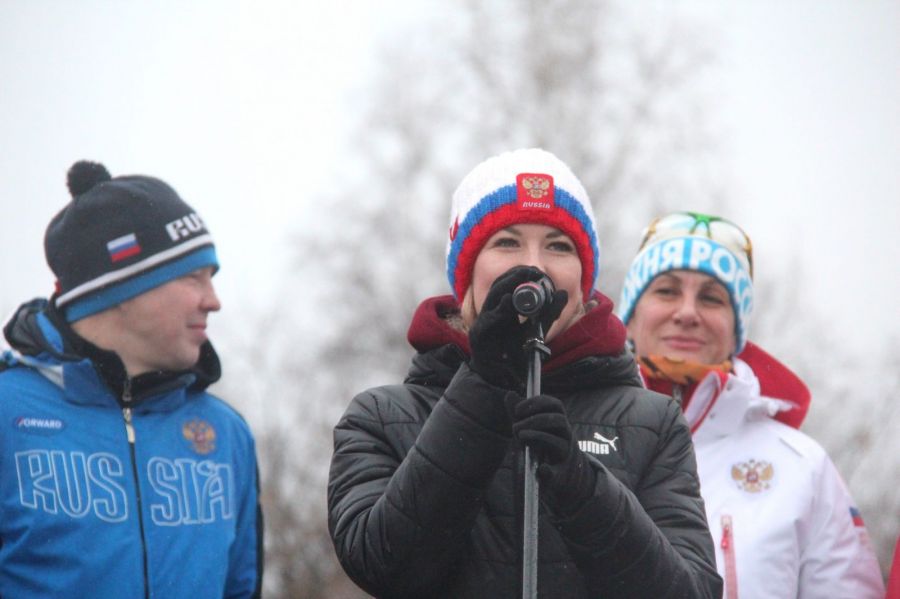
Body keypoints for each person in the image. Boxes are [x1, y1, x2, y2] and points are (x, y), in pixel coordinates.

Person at [327, 149, 722, 597]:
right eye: (507, 242)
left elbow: (693, 592)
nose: (535, 266)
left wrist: (583, 487)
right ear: (468, 272)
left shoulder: (654, 422)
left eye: (558, 246)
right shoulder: (381, 416)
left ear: (582, 278)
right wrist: (484, 385)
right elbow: (382, 566)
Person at [0, 161, 263, 598]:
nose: (212, 301)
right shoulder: (7, 415)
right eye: (192, 277)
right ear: (122, 286)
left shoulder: (227, 434)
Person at [617, 210, 885, 598]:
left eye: (711, 298)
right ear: (629, 316)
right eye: (666, 291)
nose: (688, 312)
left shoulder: (802, 468)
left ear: (736, 329)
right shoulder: (574, 430)